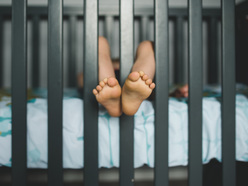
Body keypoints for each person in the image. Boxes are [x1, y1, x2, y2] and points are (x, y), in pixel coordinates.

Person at [78, 36, 188, 117]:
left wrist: (175, 93)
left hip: (128, 85)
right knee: (99, 42)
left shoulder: (131, 73)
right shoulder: (112, 67)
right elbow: (82, 79)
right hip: (113, 83)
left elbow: (81, 79)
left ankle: (119, 94)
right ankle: (115, 96)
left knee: (148, 45)